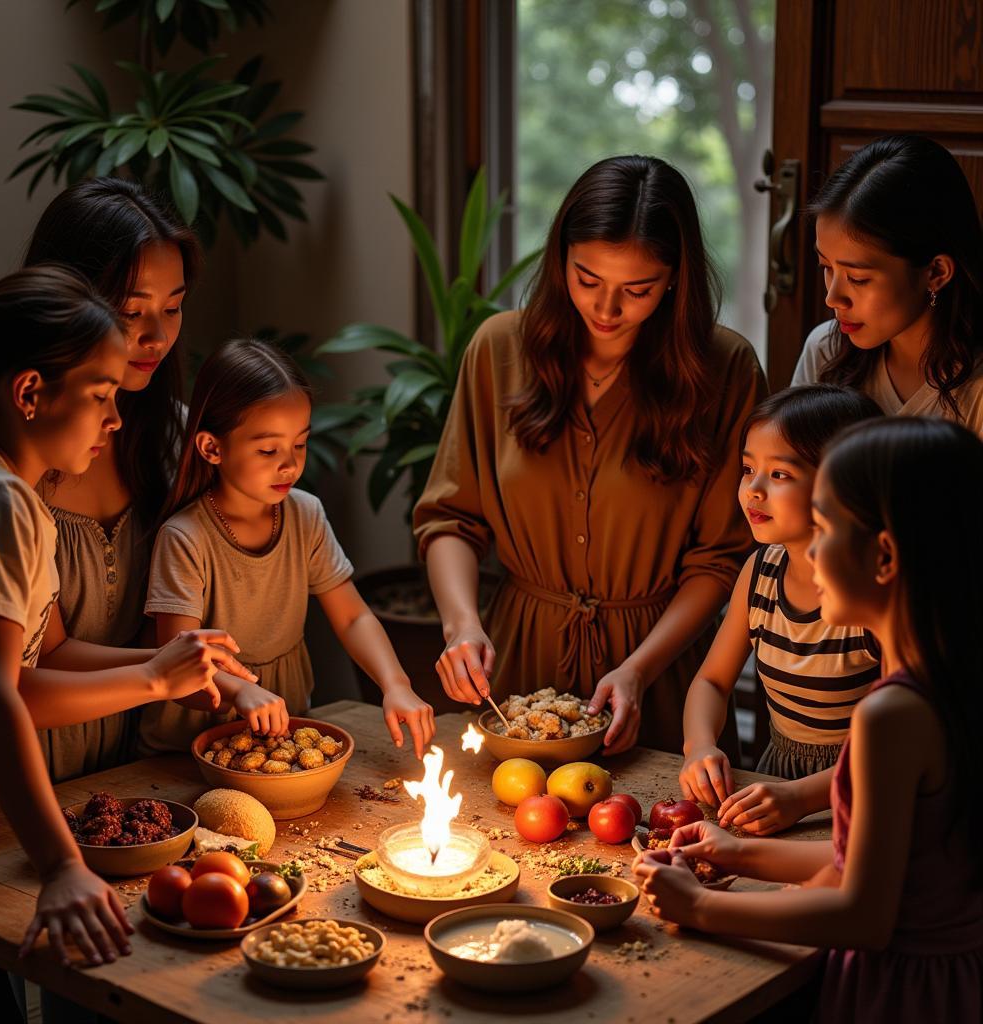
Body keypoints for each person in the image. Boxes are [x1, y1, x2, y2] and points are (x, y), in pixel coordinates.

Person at [634, 417, 983, 1023]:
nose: (811, 552)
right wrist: (734, 853)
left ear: (884, 556)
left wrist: (699, 908)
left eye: (823, 529)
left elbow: (862, 914)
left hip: (903, 992)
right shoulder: (952, 681)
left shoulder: (891, 714)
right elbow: (869, 861)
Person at [414, 154, 766, 754]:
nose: (606, 310)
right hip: (518, 663)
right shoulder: (498, 349)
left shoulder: (725, 369)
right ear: (560, 260)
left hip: (661, 676)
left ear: (676, 278)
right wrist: (461, 625)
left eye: (637, 290)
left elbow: (722, 560)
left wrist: (639, 670)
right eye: (586, 279)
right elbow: (451, 518)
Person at [0, 267, 254, 968]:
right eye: (101, 396)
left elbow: (31, 668)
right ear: (30, 392)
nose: (117, 419)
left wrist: (167, 670)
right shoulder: (3, 505)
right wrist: (62, 865)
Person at [140, 339, 436, 757]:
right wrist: (240, 691)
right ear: (212, 448)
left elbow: (352, 617)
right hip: (185, 750)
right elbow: (178, 660)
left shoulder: (305, 514)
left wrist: (396, 685)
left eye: (300, 444)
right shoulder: (186, 537)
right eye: (268, 449)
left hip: (281, 735)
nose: (290, 464)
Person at [23, 177, 213, 781]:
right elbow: (34, 666)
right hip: (21, 768)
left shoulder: (173, 436)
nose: (156, 337)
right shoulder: (10, 474)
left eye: (174, 307)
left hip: (137, 760)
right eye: (131, 312)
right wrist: (164, 670)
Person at [680, 385, 882, 834]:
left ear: (843, 485)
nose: (753, 490)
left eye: (780, 475)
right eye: (748, 468)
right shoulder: (760, 572)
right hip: (776, 778)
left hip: (858, 792)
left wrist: (801, 797)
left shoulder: (872, 598)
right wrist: (699, 746)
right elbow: (712, 681)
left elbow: (897, 750)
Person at [793, 134, 983, 435]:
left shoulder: (977, 390)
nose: (833, 298)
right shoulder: (826, 352)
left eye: (858, 278)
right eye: (826, 267)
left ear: (936, 272)